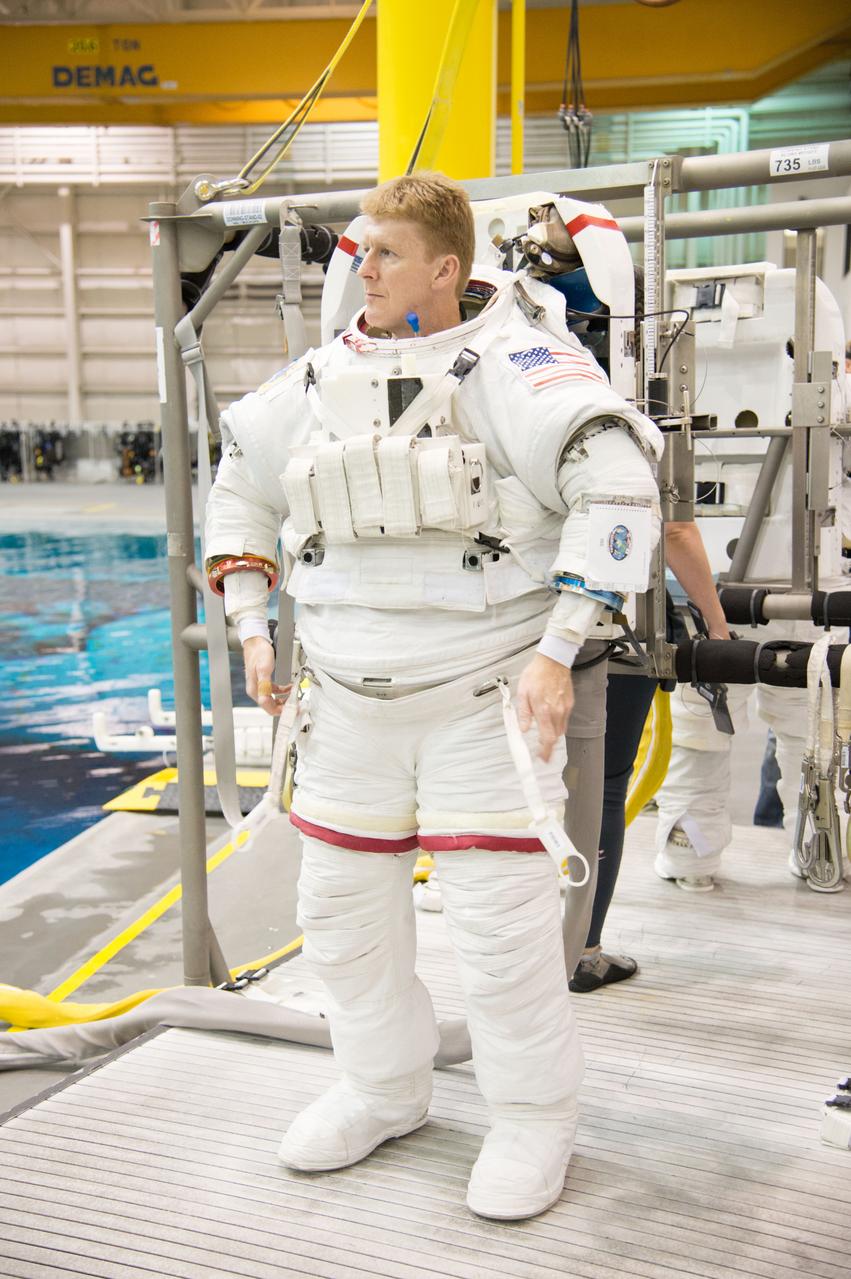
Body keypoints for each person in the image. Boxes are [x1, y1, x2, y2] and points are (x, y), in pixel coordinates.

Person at [204, 172, 662, 1221]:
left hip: (480, 697)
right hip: (348, 707)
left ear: (446, 269)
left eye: (384, 254)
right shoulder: (317, 380)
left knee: (500, 936)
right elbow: (241, 483)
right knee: (338, 923)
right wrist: (245, 620)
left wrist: (557, 648)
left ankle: (533, 1117)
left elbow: (616, 480)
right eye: (357, 251)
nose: (359, 268)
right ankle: (382, 1086)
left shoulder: (522, 366)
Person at [568, 520, 731, 992]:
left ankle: (522, 947)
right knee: (600, 788)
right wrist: (717, 628)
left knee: (531, 788)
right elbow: (677, 530)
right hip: (615, 628)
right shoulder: (647, 443)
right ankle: (582, 953)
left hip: (518, 623)